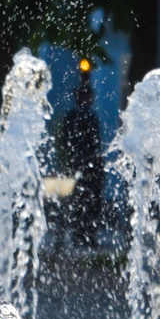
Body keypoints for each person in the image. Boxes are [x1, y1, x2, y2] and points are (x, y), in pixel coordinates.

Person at [58, 59, 106, 247]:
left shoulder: (71, 116)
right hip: (89, 165)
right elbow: (95, 143)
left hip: (77, 164)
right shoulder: (90, 116)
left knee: (79, 199)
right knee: (91, 200)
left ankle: (79, 233)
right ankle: (87, 234)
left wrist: (70, 161)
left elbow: (65, 141)